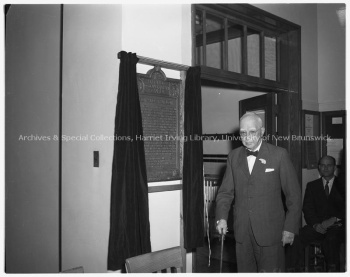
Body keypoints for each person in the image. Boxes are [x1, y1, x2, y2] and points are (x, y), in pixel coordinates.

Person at [215, 112, 302, 272]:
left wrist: (290, 228)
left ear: (262, 132)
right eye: (243, 132)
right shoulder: (233, 156)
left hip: (271, 233)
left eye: (252, 131)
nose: (247, 137)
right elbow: (225, 193)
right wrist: (221, 218)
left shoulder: (279, 155)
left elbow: (294, 196)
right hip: (242, 233)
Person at [292, 155, 345, 272]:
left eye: (329, 165)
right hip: (318, 226)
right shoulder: (312, 186)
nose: (325, 168)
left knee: (331, 240)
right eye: (322, 165)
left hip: (338, 227)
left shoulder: (344, 184)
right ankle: (296, 270)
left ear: (335, 167)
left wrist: (334, 219)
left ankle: (333, 272)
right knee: (297, 237)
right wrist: (315, 224)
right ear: (319, 168)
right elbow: (307, 208)